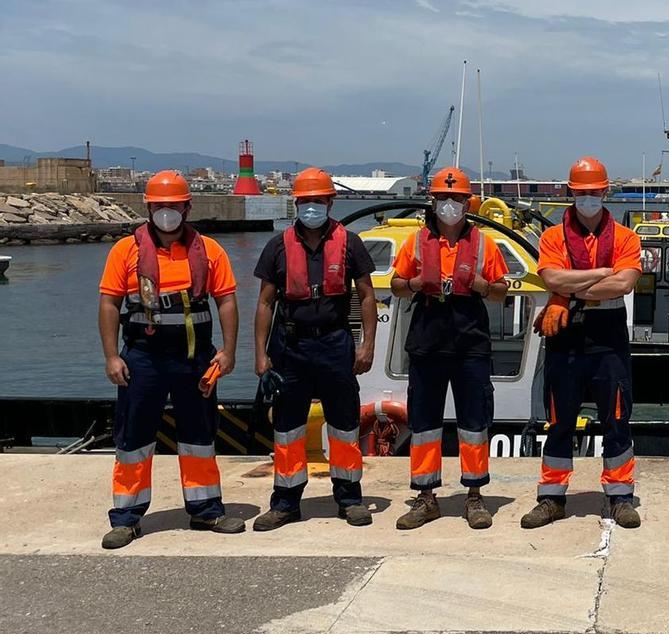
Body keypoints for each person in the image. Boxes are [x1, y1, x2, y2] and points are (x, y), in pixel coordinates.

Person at [97, 170, 243, 549]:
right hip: (142, 359)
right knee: (133, 439)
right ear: (148, 208)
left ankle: (206, 510)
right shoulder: (124, 252)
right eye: (160, 206)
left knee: (199, 436)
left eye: (174, 206)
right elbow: (109, 303)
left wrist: (228, 351)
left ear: (187, 208)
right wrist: (112, 356)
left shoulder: (210, 251)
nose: (167, 213)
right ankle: (126, 518)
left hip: (195, 360)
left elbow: (226, 300)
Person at [250, 167, 378, 531]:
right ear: (296, 204)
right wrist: (260, 353)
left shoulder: (350, 242)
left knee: (344, 423)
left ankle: (350, 498)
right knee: (288, 426)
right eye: (305, 202)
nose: (311, 208)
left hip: (335, 342)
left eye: (317, 201)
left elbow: (367, 295)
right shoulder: (277, 246)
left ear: (330, 202)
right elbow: (264, 303)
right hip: (290, 345)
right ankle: (286, 502)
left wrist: (367, 345)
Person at [520, 156, 643, 530]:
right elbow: (552, 277)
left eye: (594, 192)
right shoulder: (553, 237)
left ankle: (620, 496)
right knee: (559, 421)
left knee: (617, 418)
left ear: (605, 192)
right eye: (582, 193)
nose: (589, 198)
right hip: (567, 341)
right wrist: (602, 273)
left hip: (608, 339)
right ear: (571, 194)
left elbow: (624, 284)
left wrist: (570, 292)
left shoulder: (626, 237)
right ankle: (552, 497)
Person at [388, 167, 510, 530]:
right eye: (444, 198)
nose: (450, 204)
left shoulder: (486, 244)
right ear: (434, 201)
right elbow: (395, 285)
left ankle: (474, 496)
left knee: (474, 422)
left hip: (470, 340)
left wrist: (480, 285)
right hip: (427, 339)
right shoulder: (415, 241)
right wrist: (414, 282)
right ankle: (425, 497)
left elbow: (503, 289)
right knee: (424, 422)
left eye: (456, 198)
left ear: (467, 202)